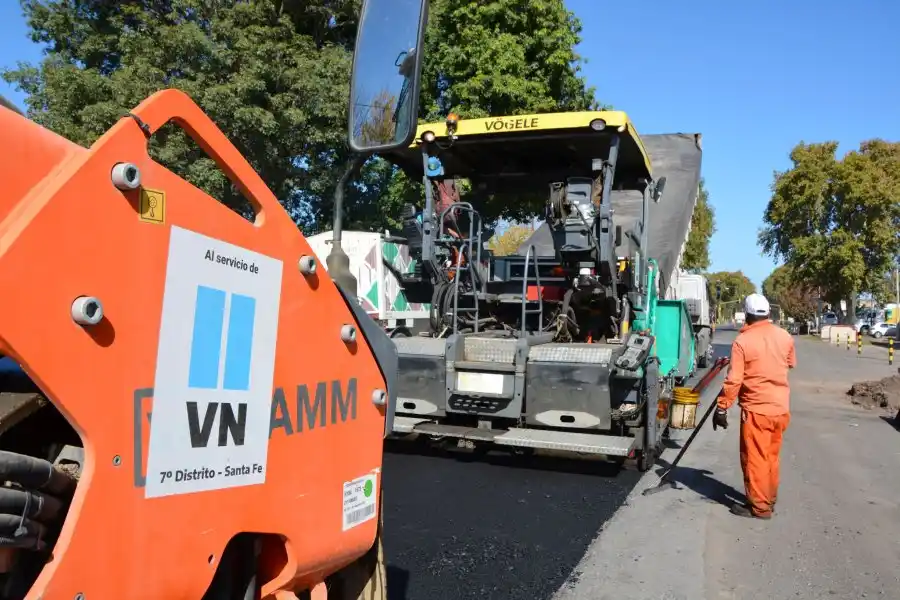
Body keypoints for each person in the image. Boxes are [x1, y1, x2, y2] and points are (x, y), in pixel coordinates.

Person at [713, 293, 796, 519]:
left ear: (747, 315)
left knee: (755, 458)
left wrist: (722, 407)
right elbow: (790, 363)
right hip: (780, 409)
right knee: (771, 456)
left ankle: (759, 507)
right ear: (769, 313)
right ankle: (768, 497)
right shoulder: (785, 336)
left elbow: (734, 380)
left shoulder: (743, 342)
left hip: (757, 410)